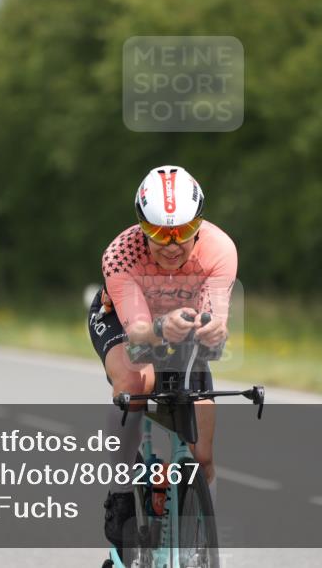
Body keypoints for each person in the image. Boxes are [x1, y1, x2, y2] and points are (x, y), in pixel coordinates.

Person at [88, 165, 236, 550]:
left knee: (203, 456)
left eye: (184, 231)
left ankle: (202, 546)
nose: (172, 245)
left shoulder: (220, 249)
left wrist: (214, 330)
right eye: (158, 233)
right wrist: (159, 327)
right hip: (125, 320)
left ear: (199, 224)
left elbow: (214, 318)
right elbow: (138, 334)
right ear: (142, 227)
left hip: (182, 324)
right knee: (137, 381)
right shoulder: (121, 254)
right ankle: (122, 491)